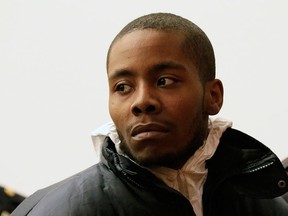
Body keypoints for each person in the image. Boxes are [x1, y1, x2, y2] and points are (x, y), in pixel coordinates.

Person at [11, 12, 288, 216]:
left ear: (213, 96)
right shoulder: (56, 211)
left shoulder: (269, 207)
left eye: (164, 81)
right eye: (123, 87)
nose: (142, 101)